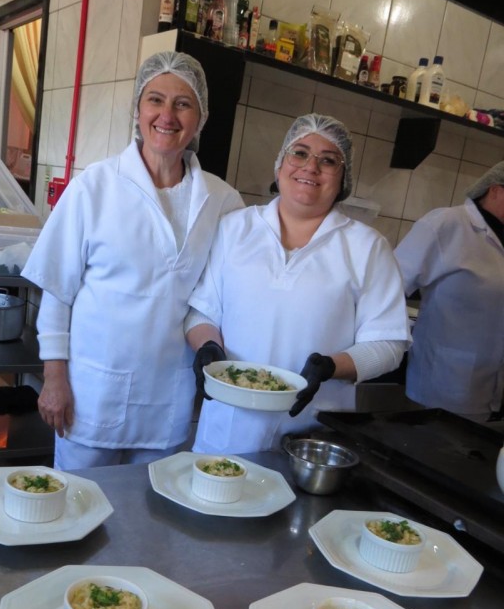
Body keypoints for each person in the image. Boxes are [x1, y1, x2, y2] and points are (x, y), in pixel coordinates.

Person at [21, 51, 243, 469]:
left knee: (150, 516)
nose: (167, 115)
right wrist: (53, 378)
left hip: (169, 396)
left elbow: (220, 295)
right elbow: (57, 290)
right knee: (78, 506)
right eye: (155, 100)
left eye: (183, 103)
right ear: (137, 110)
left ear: (200, 118)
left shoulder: (223, 200)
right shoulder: (95, 186)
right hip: (91, 392)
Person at [185, 113, 411, 454]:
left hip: (312, 434)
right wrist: (208, 347)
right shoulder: (235, 230)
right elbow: (201, 313)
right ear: (280, 166)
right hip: (229, 425)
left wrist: (332, 366)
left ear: (343, 178)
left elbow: (389, 344)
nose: (310, 167)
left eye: (328, 160)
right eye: (300, 153)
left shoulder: (367, 247)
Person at [394, 162, 504, 423]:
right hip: (445, 382)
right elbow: (389, 288)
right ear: (496, 191)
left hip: (493, 387)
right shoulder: (446, 224)